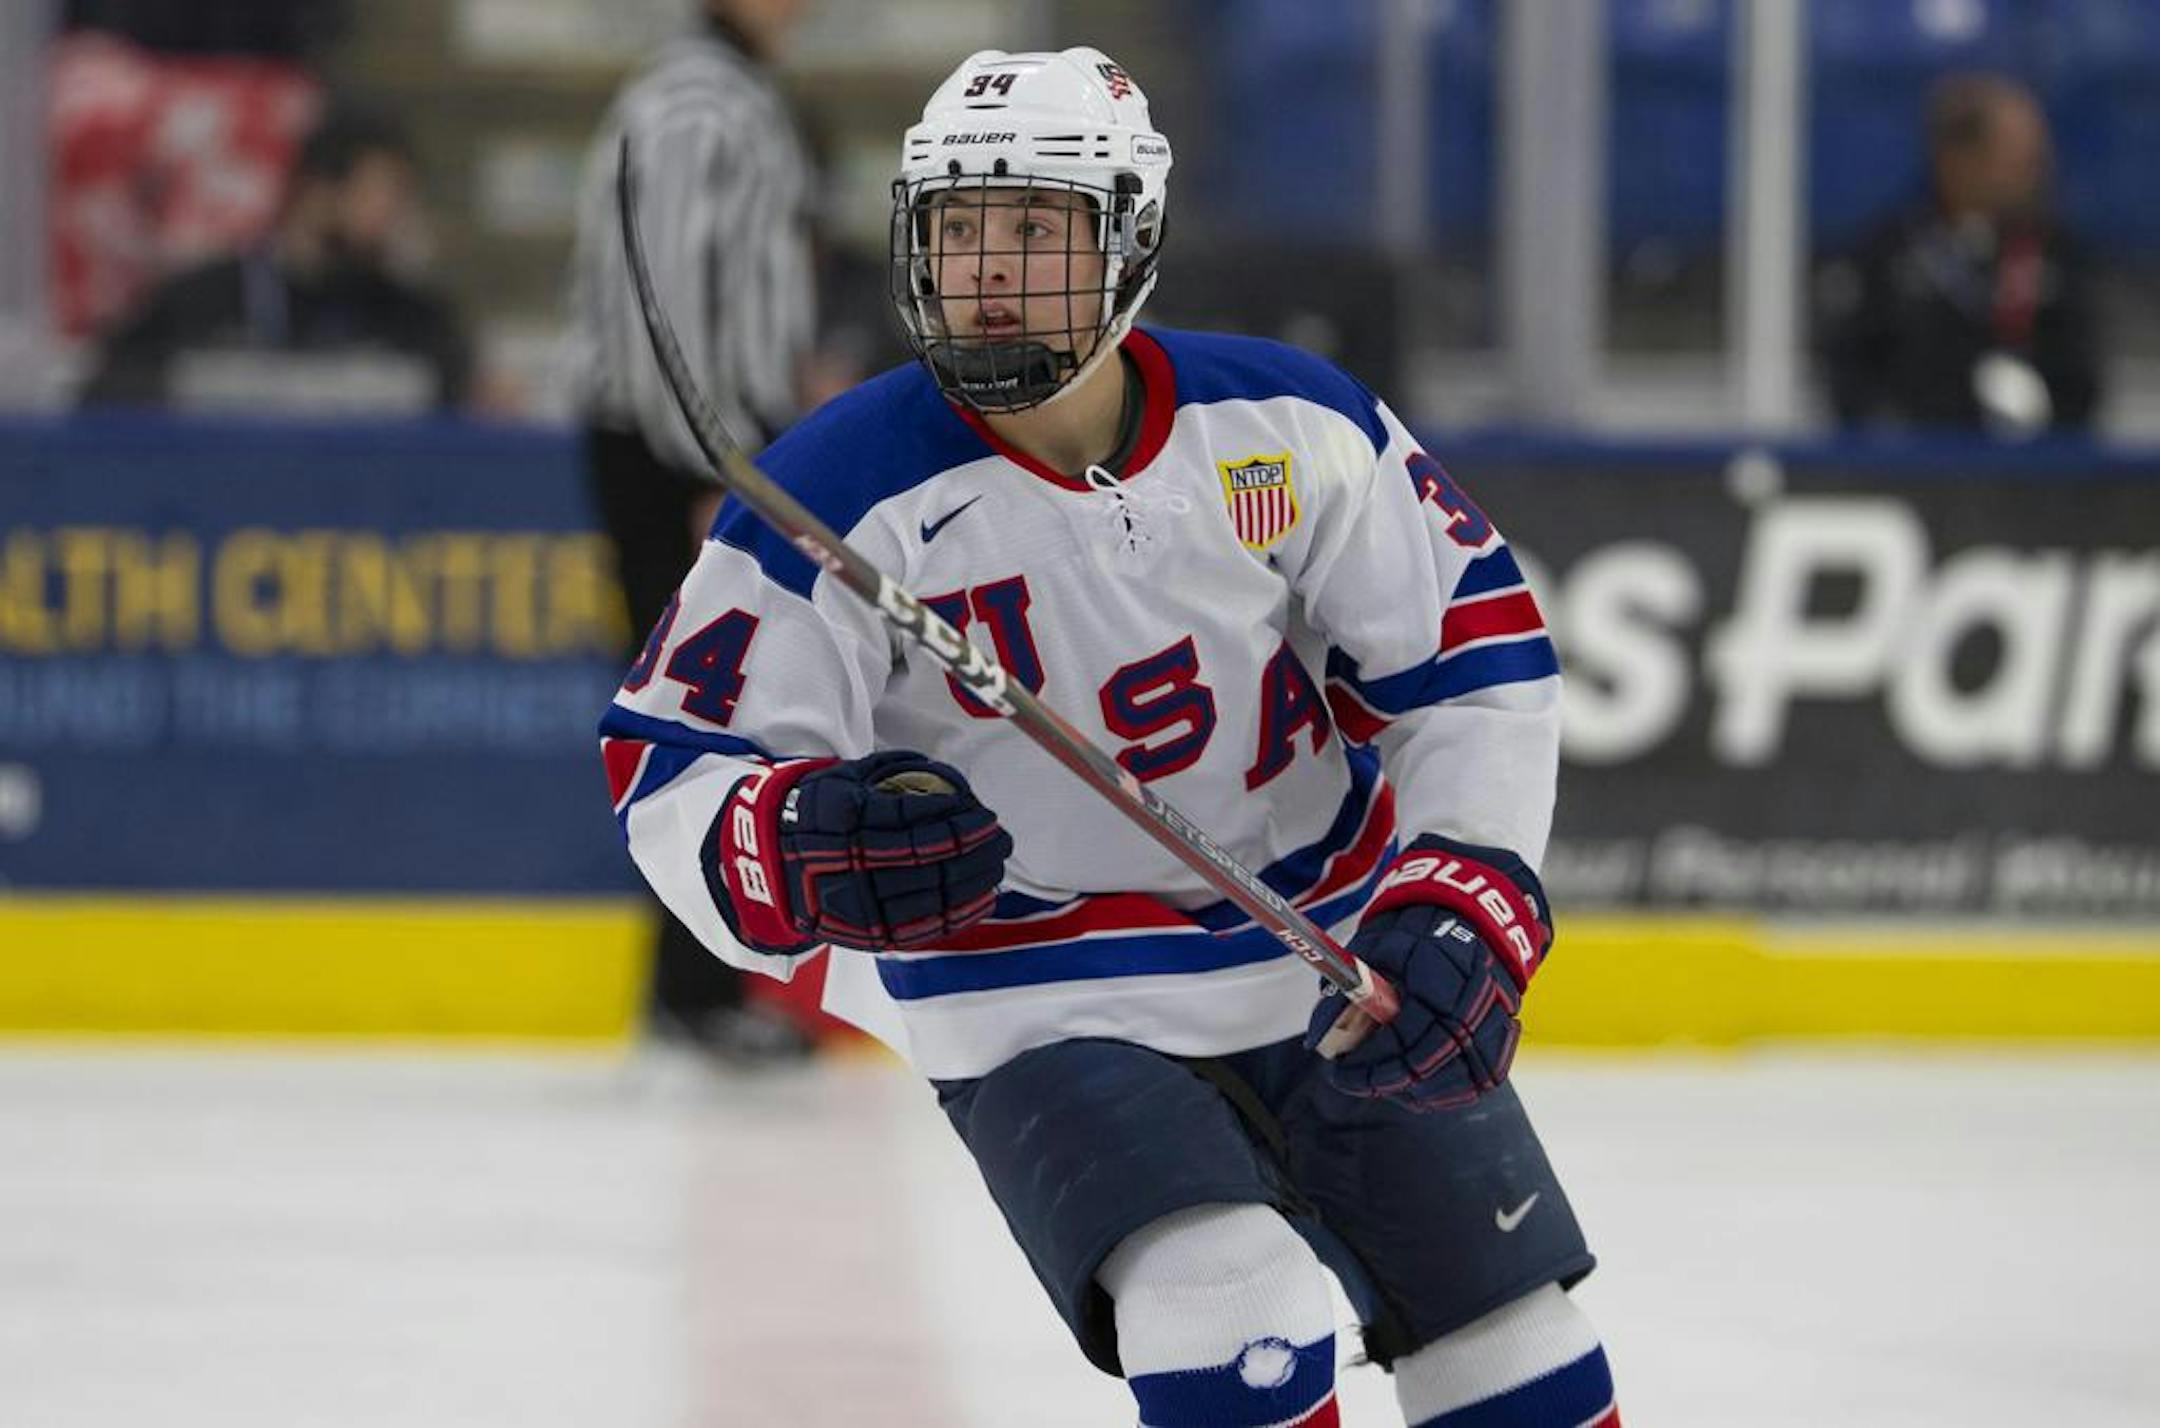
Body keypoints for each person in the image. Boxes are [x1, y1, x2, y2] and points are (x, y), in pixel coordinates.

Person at [600, 47, 1620, 1427]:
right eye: (958, 230)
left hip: (1317, 940)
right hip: (1032, 993)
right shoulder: (836, 491)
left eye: (1034, 228)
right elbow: (673, 763)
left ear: (1130, 237)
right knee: (1231, 1296)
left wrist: (1469, 888)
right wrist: (799, 842)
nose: (990, 270)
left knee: (1510, 1343)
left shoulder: (1288, 423)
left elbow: (1473, 657)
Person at [568, 0, 821, 1065]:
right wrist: (713, 471)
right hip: (684, 458)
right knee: (704, 714)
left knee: (727, 708)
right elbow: (670, 308)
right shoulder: (695, 107)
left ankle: (704, 982)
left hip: (700, 452)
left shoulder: (716, 96)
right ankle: (692, 990)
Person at [79, 102, 472, 414]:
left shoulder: (414, 320)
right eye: (384, 195)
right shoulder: (202, 300)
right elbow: (107, 393)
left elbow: (460, 408)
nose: (394, 217)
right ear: (319, 191)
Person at [1818, 72, 2102, 437]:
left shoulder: (2058, 256)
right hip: (1915, 475)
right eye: (2019, 161)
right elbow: (1853, 384)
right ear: (1957, 159)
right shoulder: (1884, 258)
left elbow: (2083, 384)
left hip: (2036, 481)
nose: (2037, 174)